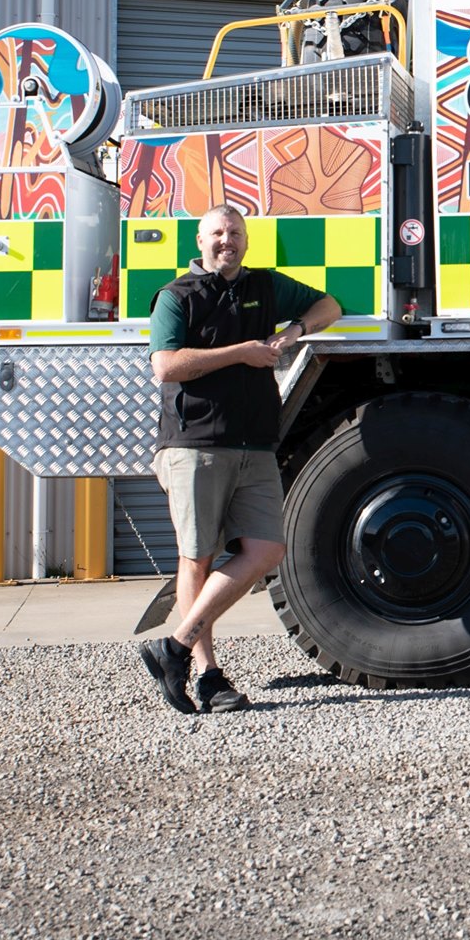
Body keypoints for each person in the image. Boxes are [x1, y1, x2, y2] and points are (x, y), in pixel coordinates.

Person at [137, 204, 340, 714]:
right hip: (195, 446)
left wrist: (293, 332)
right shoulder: (176, 296)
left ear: (246, 241)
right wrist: (241, 352)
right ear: (200, 241)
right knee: (197, 557)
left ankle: (175, 646)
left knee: (268, 548)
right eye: (218, 234)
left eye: (235, 233)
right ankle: (207, 677)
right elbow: (166, 366)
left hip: (255, 444)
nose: (227, 241)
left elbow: (329, 306)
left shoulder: (264, 286)